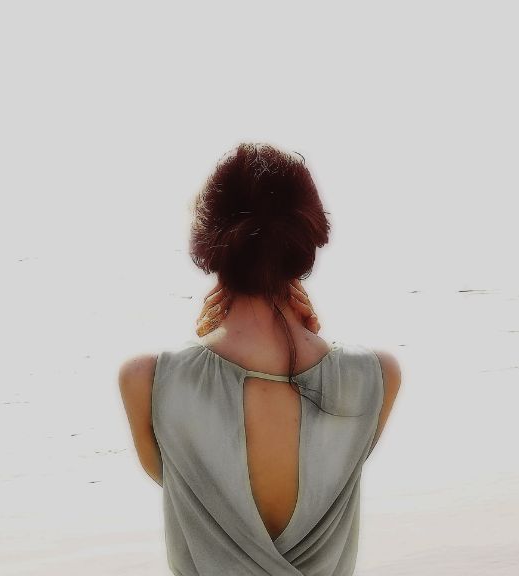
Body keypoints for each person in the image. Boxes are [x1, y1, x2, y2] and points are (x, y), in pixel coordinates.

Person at [118, 142, 402, 575]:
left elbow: (192, 492)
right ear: (308, 237)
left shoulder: (148, 380)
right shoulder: (376, 376)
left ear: (208, 241)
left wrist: (204, 349)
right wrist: (309, 340)